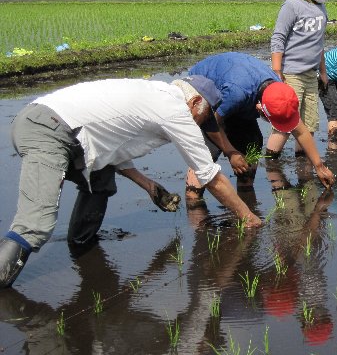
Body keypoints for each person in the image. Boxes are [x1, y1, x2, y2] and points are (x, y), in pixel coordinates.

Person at [0, 76, 262, 288]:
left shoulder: (155, 94)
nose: (201, 126)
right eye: (204, 119)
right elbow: (210, 176)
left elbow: (109, 150)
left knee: (101, 181)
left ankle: (81, 246)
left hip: (62, 129)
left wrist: (149, 186)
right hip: (48, 129)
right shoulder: (174, 110)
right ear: (194, 102)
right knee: (36, 224)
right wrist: (248, 217)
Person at [187, 52, 335, 199]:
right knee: (207, 153)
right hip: (203, 95)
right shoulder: (237, 93)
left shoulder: (278, 88)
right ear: (259, 107)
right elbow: (212, 123)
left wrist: (319, 166)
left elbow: (300, 131)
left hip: (236, 90)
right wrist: (230, 152)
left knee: (253, 142)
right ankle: (194, 199)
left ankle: (246, 197)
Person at [270, 0, 337, 155]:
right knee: (286, 122)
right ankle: (271, 163)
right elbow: (278, 37)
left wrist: (323, 72)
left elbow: (318, 43)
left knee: (308, 125)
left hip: (311, 74)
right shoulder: (292, 5)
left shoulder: (320, 7)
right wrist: (278, 72)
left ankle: (302, 164)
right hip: (291, 74)